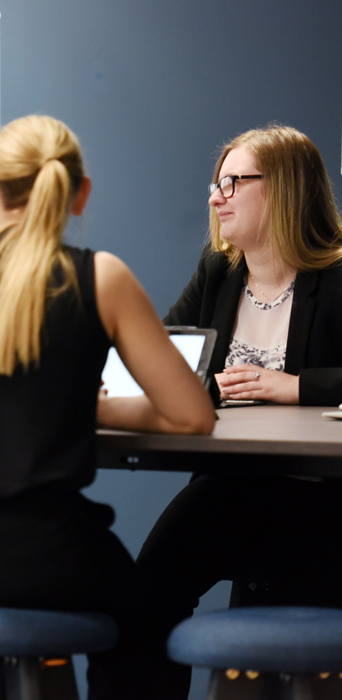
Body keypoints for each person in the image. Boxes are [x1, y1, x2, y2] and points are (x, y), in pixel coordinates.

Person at [0, 114, 215, 700]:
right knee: (151, 618)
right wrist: (96, 411)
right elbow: (191, 416)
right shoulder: (100, 277)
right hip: (44, 558)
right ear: (79, 192)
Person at [133, 124, 342, 698]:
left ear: (284, 191)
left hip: (322, 497)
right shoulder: (219, 271)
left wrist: (296, 387)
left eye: (232, 182)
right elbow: (163, 354)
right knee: (144, 598)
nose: (214, 196)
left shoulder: (337, 278)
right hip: (233, 486)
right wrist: (196, 384)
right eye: (215, 182)